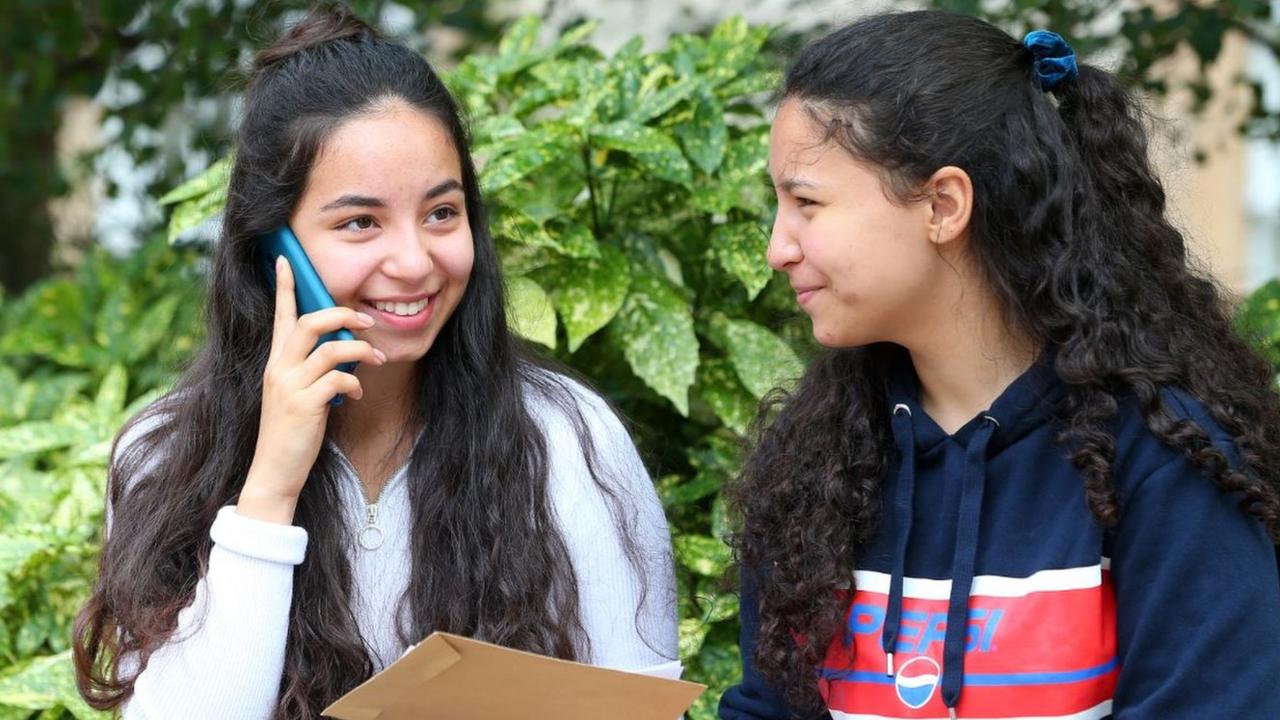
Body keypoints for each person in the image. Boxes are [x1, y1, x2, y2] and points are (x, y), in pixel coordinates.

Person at [73, 7, 678, 718]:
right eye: (360, 222)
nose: (416, 261)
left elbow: (641, 707)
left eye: (441, 213)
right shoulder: (163, 457)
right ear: (274, 248)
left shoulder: (567, 438)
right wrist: (270, 486)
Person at [719, 10, 1280, 720]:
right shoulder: (818, 466)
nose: (778, 248)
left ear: (944, 205)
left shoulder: (1163, 459)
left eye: (806, 202)